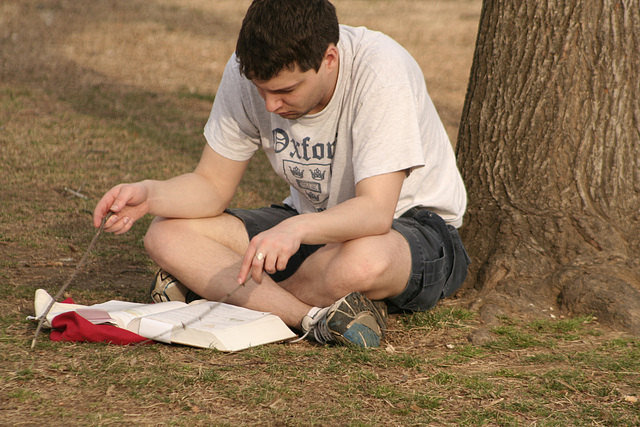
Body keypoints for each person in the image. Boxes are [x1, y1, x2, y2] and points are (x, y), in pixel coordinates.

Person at [93, 0, 470, 348]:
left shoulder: (380, 69)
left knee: (362, 261)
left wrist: (294, 230)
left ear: (329, 58)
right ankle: (310, 317)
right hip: (310, 225)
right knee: (165, 234)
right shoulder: (248, 69)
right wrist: (149, 194)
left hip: (408, 229)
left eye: (286, 91)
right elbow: (211, 186)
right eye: (262, 91)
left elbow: (375, 211)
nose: (271, 104)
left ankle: (219, 295)